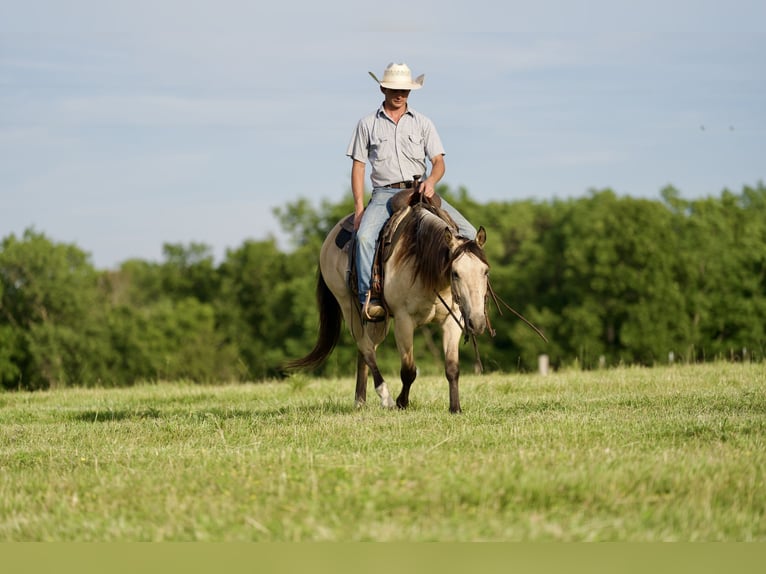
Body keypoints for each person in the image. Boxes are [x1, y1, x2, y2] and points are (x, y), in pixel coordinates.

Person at [347, 62, 477, 320]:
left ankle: (465, 295)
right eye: (395, 89)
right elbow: (358, 166)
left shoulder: (423, 123)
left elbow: (439, 162)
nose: (400, 94)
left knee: (470, 233)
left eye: (405, 90)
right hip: (385, 194)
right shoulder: (367, 124)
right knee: (363, 238)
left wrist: (431, 181)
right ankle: (368, 298)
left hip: (421, 190)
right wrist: (359, 207)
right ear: (383, 88)